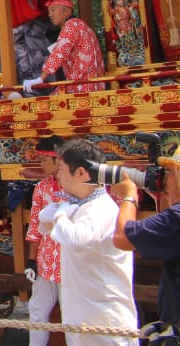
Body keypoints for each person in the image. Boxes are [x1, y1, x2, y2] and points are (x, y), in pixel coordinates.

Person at [47, 139, 136, 346]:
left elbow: (77, 239)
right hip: (84, 315)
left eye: (61, 169)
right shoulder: (80, 207)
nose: (57, 176)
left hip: (103, 319)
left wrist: (61, 214)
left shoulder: (100, 208)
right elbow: (50, 229)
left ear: (80, 173)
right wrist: (59, 212)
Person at [111, 141, 180, 341]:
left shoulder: (175, 219)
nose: (166, 180)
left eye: (171, 174)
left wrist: (129, 196)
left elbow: (122, 238)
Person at [25, 136, 66, 346]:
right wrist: (31, 261)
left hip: (71, 262)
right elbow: (35, 225)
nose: (40, 164)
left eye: (43, 160)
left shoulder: (78, 186)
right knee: (37, 310)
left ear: (58, 159)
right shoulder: (41, 188)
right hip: (46, 260)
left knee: (74, 316)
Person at [23, 0, 106, 95]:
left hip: (81, 87)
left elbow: (59, 52)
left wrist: (40, 78)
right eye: (49, 11)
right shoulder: (82, 26)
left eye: (53, 10)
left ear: (67, 11)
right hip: (93, 86)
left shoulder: (71, 25)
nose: (50, 15)